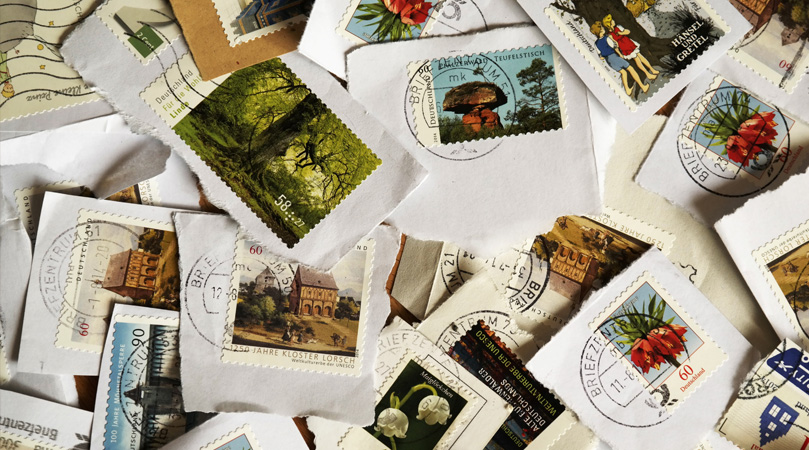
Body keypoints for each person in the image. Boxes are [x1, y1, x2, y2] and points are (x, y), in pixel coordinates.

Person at [591, 21, 648, 96]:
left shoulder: (596, 44)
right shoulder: (607, 38)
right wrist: (620, 54)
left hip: (609, 61)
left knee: (623, 72)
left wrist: (605, 53)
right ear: (600, 31)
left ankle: (627, 90)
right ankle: (643, 86)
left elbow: (601, 56)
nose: (603, 28)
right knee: (630, 69)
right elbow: (615, 46)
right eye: (602, 28)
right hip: (614, 57)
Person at [602, 14, 659, 85]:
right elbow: (615, 44)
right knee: (637, 59)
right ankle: (647, 74)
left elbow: (628, 31)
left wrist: (621, 33)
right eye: (612, 21)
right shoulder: (610, 35)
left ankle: (652, 69)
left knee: (641, 57)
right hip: (625, 48)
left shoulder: (618, 27)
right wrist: (619, 52)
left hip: (630, 44)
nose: (613, 21)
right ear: (609, 24)